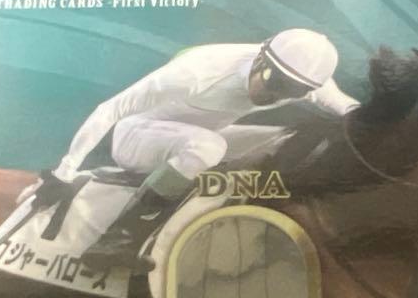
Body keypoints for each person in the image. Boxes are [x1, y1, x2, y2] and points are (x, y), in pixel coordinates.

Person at [21, 28, 359, 271]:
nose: (275, 96)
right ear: (260, 58)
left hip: (201, 135)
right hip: (136, 136)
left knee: (288, 137)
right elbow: (110, 110)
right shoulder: (198, 71)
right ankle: (118, 237)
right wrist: (64, 172)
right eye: (275, 83)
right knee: (209, 146)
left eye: (292, 92)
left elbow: (349, 109)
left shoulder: (305, 82)